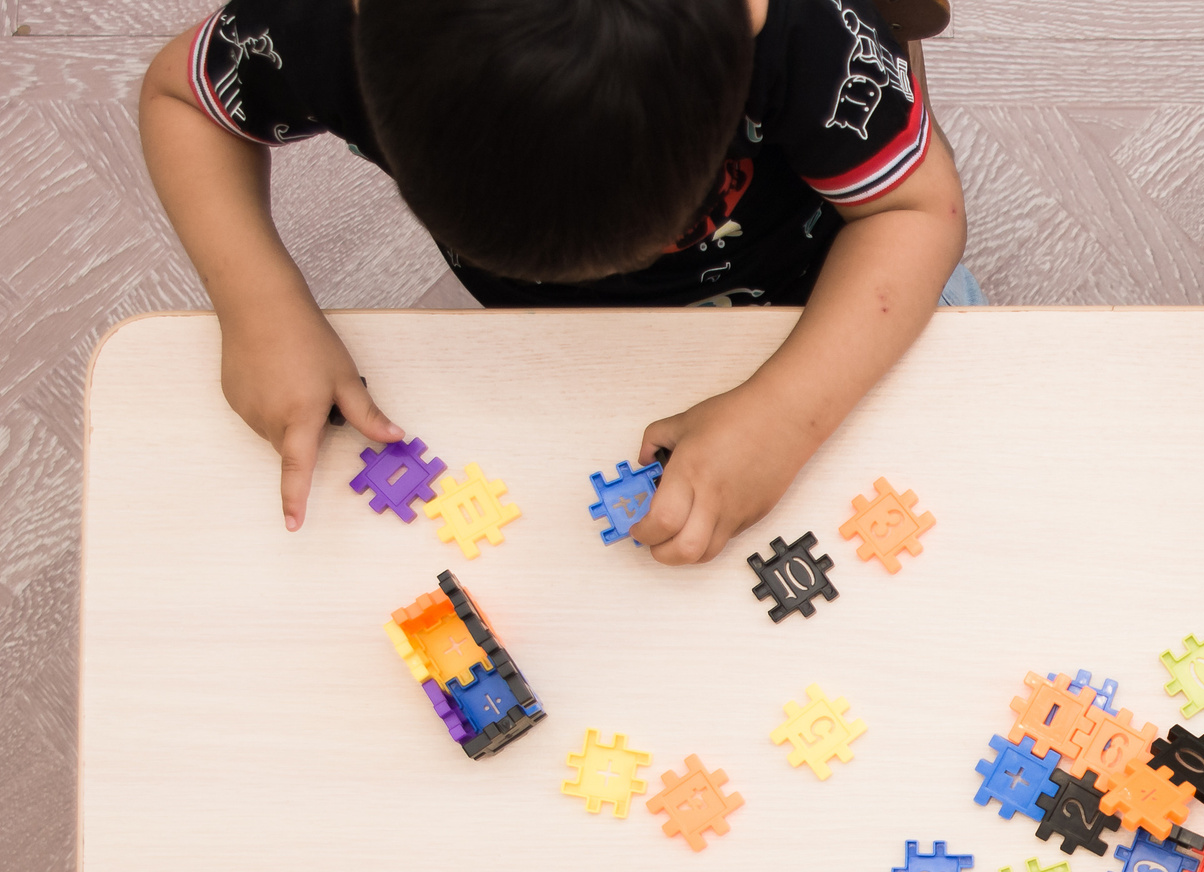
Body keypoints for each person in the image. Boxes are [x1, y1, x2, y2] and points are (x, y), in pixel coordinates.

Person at [136, 0, 974, 565]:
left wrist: (790, 414)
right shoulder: (322, 24)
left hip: (826, 292)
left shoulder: (807, 33)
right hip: (554, 357)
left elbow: (915, 214)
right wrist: (259, 303)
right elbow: (182, 98)